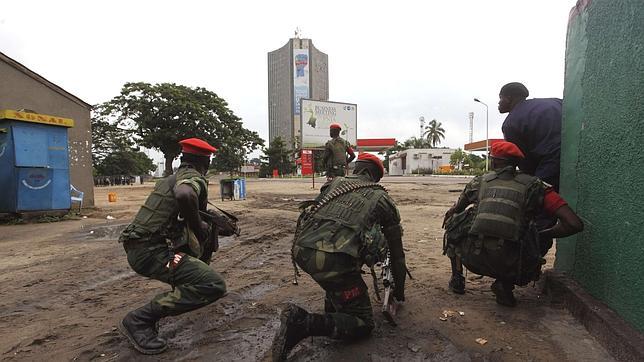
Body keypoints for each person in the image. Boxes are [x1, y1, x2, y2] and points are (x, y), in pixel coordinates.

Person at [272, 153, 407, 361]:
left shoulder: (334, 183)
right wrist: (399, 290)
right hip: (331, 261)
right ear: (374, 176)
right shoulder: (382, 198)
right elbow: (397, 255)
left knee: (339, 266)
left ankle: (334, 300)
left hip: (302, 250)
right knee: (363, 322)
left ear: (357, 170)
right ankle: (302, 323)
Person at [117, 138, 227, 354]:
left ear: (184, 159)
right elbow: (185, 195)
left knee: (199, 269)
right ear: (207, 162)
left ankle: (178, 293)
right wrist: (200, 227)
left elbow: (182, 209)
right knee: (213, 285)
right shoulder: (193, 177)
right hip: (151, 252)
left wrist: (211, 221)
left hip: (141, 246)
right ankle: (139, 320)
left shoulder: (172, 178)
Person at [443, 141, 583, 307]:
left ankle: (457, 279)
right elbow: (574, 223)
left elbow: (455, 210)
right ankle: (505, 284)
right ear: (517, 163)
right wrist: (542, 235)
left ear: (494, 161)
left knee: (453, 224)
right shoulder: (536, 186)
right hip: (516, 266)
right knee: (531, 232)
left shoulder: (479, 182)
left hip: (475, 258)